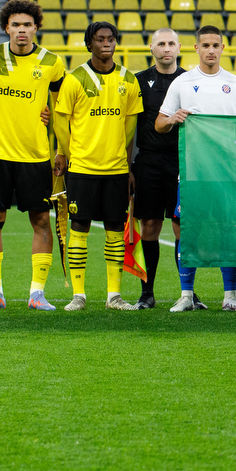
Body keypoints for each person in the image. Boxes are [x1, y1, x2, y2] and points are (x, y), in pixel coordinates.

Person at [0, 0, 65, 312]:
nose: (22, 30)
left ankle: (37, 294)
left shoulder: (53, 63)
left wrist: (60, 148)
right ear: (7, 28)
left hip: (35, 155)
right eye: (16, 25)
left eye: (27, 25)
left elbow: (62, 108)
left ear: (36, 28)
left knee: (41, 219)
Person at [157, 25, 236, 312]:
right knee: (188, 231)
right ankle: (186, 295)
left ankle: (230, 296)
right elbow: (159, 125)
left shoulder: (235, 83)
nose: (211, 50)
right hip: (193, 172)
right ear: (196, 48)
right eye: (205, 45)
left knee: (229, 232)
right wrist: (173, 118)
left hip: (228, 173)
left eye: (216, 45)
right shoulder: (183, 82)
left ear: (223, 48)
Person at [53, 21, 143, 311]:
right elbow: (60, 121)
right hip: (82, 168)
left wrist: (127, 166)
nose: (107, 43)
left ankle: (113, 295)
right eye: (100, 39)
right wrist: (68, 154)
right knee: (79, 226)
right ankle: (78, 295)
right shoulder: (75, 79)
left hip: (116, 169)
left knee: (116, 229)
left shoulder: (128, 80)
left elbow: (130, 129)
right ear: (88, 44)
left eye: (111, 39)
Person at [132, 28, 184, 310]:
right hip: (149, 161)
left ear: (179, 48)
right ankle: (146, 292)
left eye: (171, 43)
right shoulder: (139, 81)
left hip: (182, 162)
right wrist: (130, 166)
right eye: (161, 43)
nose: (166, 48)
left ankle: (186, 293)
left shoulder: (190, 80)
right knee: (149, 225)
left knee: (180, 227)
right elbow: (129, 126)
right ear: (151, 48)